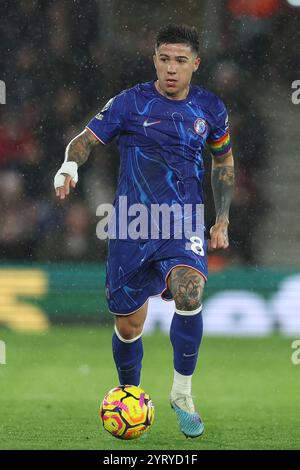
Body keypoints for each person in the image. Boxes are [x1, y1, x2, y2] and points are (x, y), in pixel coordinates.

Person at [54, 24, 234, 438]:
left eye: (181, 61)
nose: (172, 69)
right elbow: (85, 139)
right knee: (128, 326)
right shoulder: (130, 103)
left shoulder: (211, 108)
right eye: (164, 59)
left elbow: (223, 162)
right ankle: (130, 392)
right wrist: (69, 165)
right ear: (155, 59)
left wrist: (221, 216)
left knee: (190, 291)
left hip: (183, 220)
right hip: (132, 222)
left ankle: (182, 393)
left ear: (195, 64)